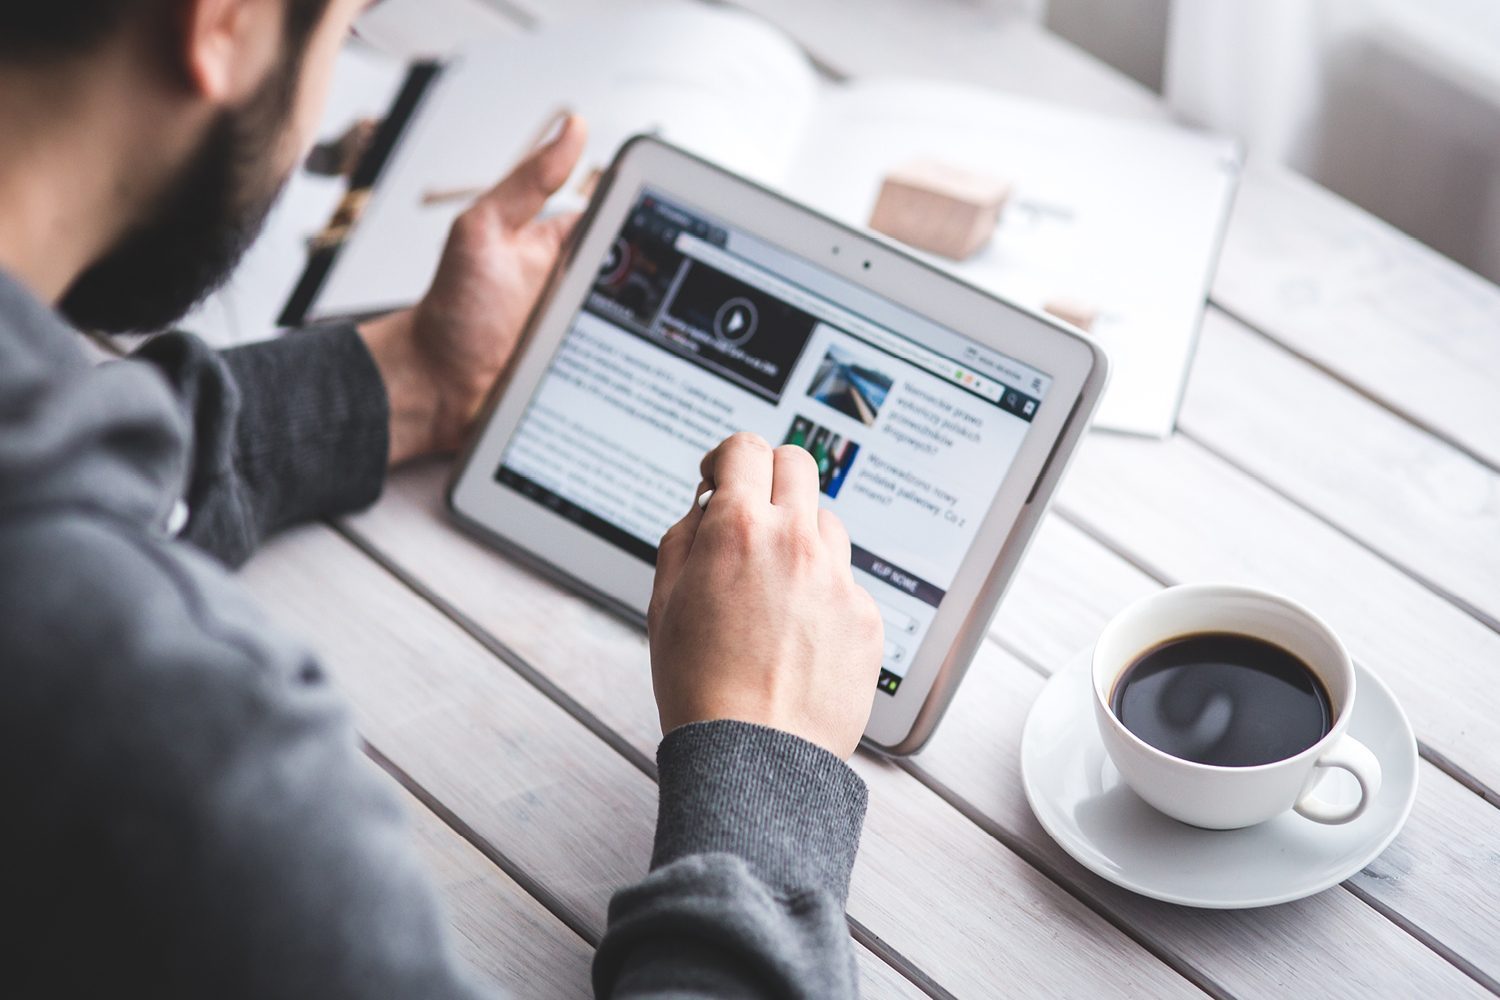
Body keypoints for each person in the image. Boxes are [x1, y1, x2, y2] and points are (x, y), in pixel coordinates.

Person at [0, 0, 886, 996]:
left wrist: (409, 377)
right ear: (225, 23)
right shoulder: (178, 747)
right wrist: (764, 761)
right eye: (346, 25)